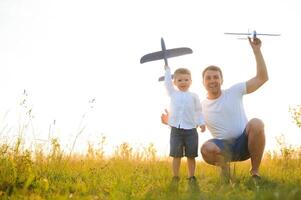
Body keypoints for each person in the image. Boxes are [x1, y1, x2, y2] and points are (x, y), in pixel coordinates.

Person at [162, 37, 268, 180]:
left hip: (245, 143)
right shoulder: (200, 105)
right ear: (203, 82)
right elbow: (187, 123)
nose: (212, 80)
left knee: (257, 123)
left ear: (221, 80)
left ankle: (255, 172)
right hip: (222, 148)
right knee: (206, 148)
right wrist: (170, 121)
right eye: (208, 78)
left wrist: (257, 51)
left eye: (215, 77)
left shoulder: (234, 91)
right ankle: (226, 175)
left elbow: (262, 78)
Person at [163, 64, 206, 182]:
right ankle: (175, 176)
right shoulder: (173, 93)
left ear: (191, 81)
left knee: (191, 155)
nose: (183, 82)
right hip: (176, 129)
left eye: (186, 80)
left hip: (191, 130)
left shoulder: (194, 96)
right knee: (176, 155)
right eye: (180, 80)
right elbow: (167, 84)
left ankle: (191, 176)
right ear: (175, 82)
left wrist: (201, 123)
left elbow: (198, 111)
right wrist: (167, 71)